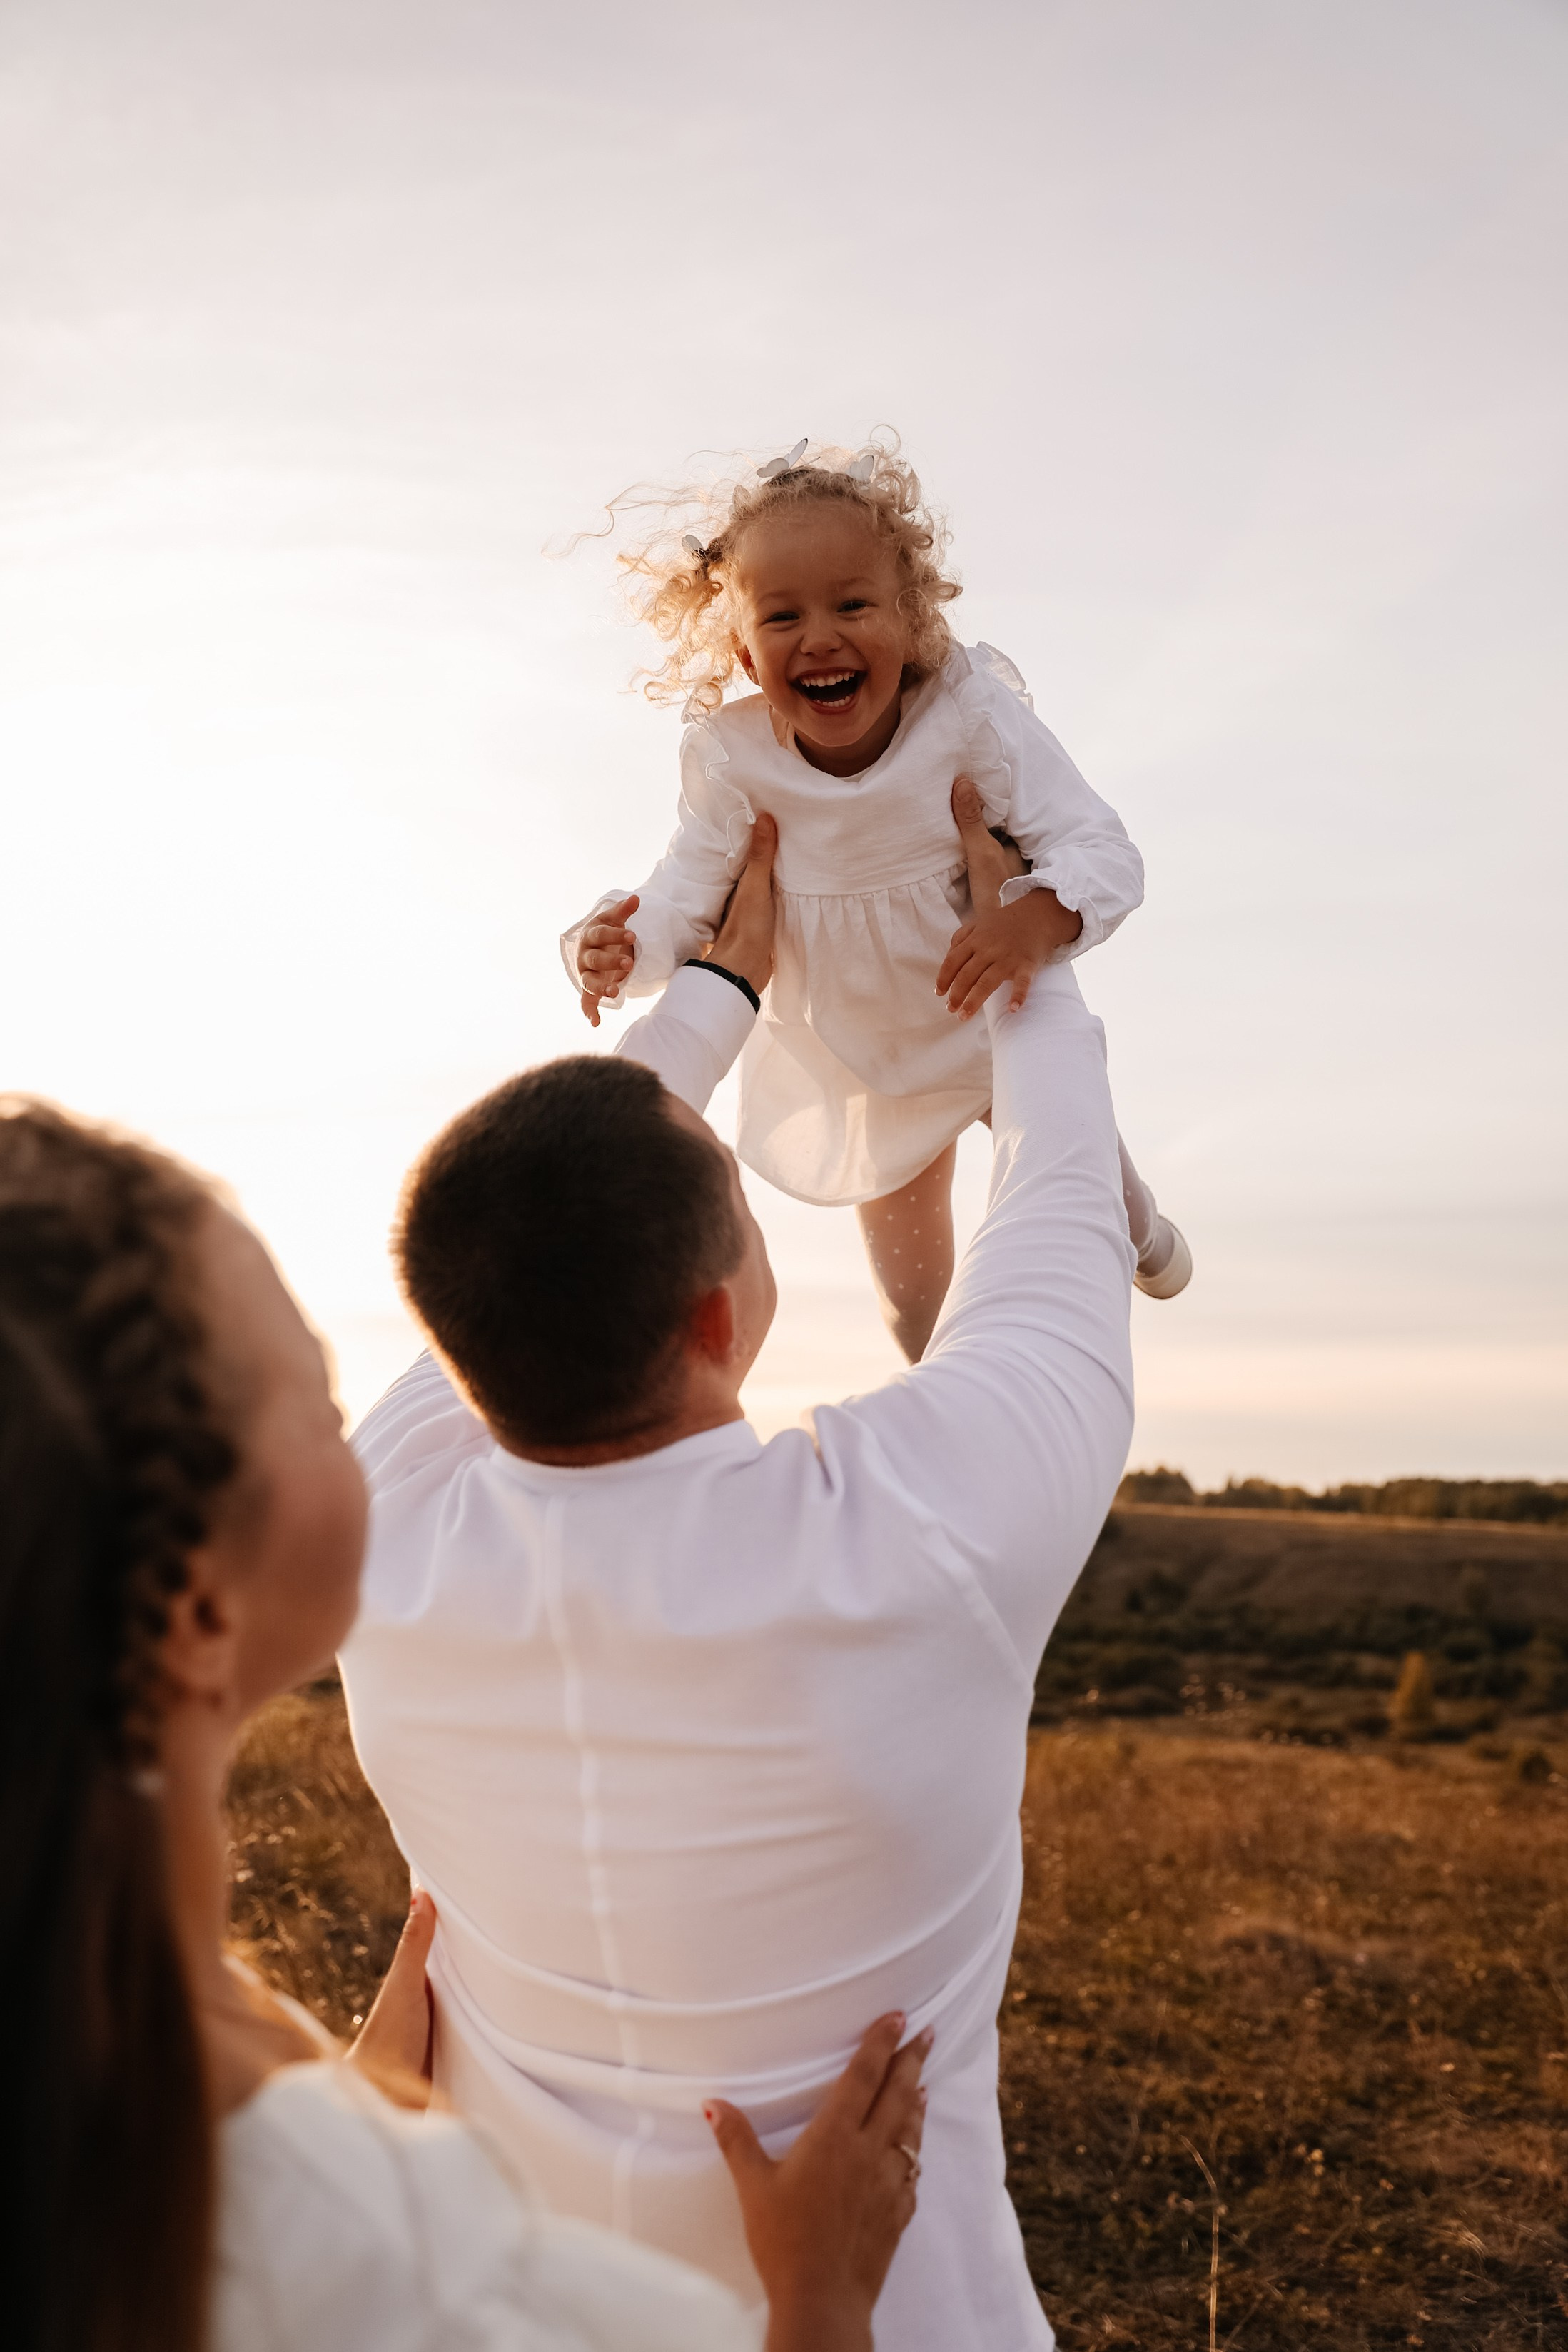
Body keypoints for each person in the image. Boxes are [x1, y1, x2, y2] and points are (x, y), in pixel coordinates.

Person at [340, 791, 1137, 2350]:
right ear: (718, 1319)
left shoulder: (381, 1544)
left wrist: (711, 993)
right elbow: (1057, 1202)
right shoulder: (920, 1534)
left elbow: (531, 1222)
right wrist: (1015, 937)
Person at [0, 1092, 928, 2352]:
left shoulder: (91, 2004)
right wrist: (819, 2301)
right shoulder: (373, 2266)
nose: (397, 1410)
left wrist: (349, 2093)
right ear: (194, 1609)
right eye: (319, 1399)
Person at [561, 435, 1189, 1360]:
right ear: (742, 652)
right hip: (851, 1057)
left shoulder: (966, 720)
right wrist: (617, 943)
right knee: (909, 1298)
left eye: (852, 604)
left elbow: (1099, 846)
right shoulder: (735, 761)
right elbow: (685, 896)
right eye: (781, 618)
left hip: (978, 1009)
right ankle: (950, 1403)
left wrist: (1035, 916)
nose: (818, 636)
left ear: (911, 619)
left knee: (1079, 1167)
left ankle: (1144, 1232)